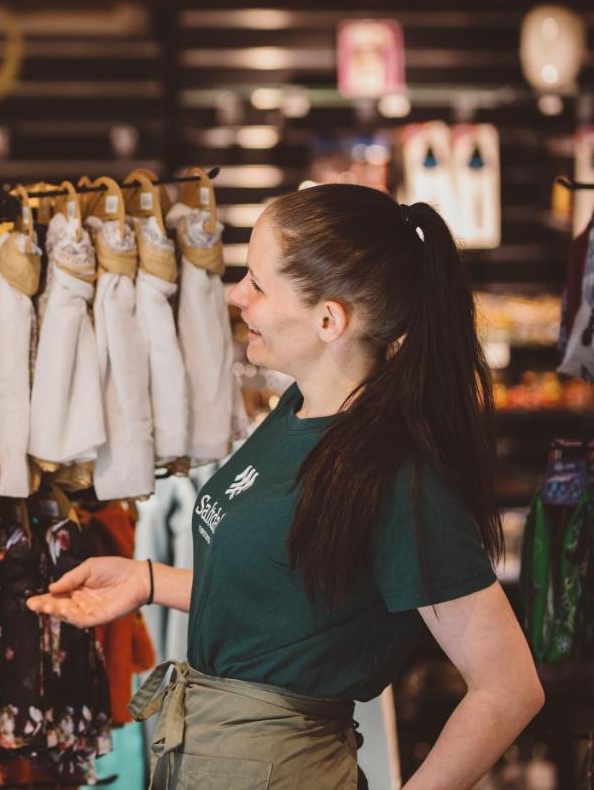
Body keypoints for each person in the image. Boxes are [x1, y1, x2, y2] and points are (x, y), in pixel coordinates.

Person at [28, 184, 544, 789]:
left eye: (258, 283)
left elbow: (508, 689)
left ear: (329, 319)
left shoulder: (400, 476)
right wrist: (147, 582)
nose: (236, 295)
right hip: (207, 755)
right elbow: (288, 595)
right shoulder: (298, 410)